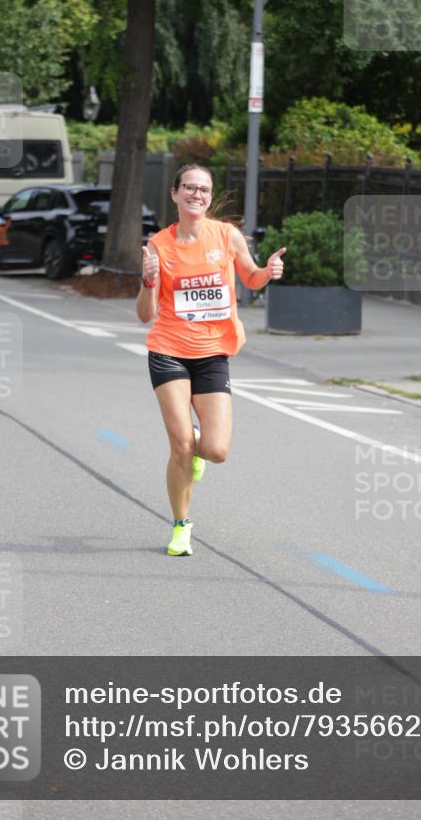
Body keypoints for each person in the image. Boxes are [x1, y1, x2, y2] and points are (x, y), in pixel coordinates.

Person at [136, 164, 286, 556]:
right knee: (182, 444)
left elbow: (250, 278)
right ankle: (181, 526)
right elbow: (144, 313)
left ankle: (196, 455)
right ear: (175, 194)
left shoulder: (226, 235)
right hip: (168, 349)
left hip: (212, 353)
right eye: (189, 188)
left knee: (215, 450)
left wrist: (268, 271)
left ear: (209, 195)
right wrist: (148, 280)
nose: (197, 195)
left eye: (203, 189)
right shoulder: (159, 246)